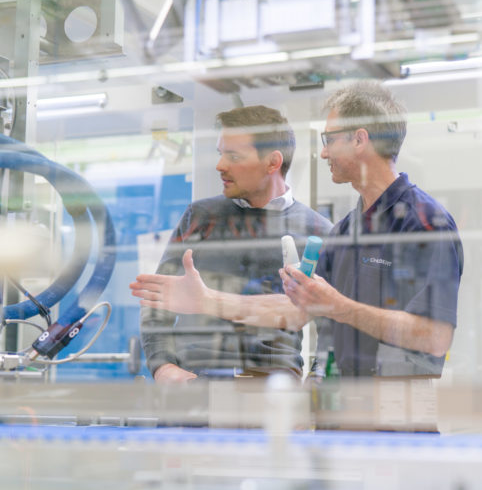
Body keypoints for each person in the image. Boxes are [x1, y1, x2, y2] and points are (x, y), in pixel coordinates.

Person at [132, 81, 464, 377]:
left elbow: (434, 338)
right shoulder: (346, 232)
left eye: (329, 139)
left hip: (398, 417)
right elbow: (294, 311)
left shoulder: (422, 221)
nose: (323, 152)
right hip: (343, 412)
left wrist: (336, 306)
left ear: (359, 140)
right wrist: (208, 301)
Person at [138, 105, 332, 383]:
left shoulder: (317, 232)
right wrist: (164, 367)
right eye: (221, 154)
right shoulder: (200, 217)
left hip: (272, 389)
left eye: (234, 156)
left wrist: (316, 383)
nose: (220, 165)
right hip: (192, 383)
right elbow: (157, 301)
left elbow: (334, 327)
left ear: (273, 162)